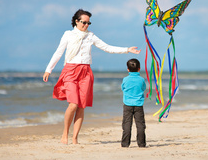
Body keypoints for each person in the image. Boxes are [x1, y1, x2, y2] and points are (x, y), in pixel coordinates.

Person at [43, 9, 140, 145]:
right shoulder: (68, 35)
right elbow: (58, 52)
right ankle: (65, 134)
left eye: (89, 23)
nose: (86, 25)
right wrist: (48, 70)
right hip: (70, 70)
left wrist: (127, 49)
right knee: (73, 104)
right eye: (84, 22)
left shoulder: (91, 36)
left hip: (86, 72)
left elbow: (107, 47)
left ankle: (75, 138)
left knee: (81, 106)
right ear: (76, 21)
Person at [121, 58, 147, 148]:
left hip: (127, 104)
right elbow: (143, 88)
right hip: (138, 105)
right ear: (139, 69)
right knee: (140, 125)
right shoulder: (141, 80)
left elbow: (123, 88)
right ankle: (141, 144)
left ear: (128, 69)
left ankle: (125, 144)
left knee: (127, 124)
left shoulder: (125, 79)